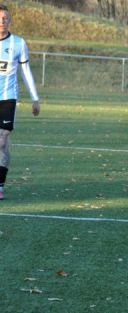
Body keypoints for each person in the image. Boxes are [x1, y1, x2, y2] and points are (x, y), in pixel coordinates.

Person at [0, 4, 40, 200]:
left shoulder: (18, 43)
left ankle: (0, 184)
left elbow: (26, 72)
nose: (2, 22)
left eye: (5, 18)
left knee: (2, 140)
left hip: (8, 98)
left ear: (10, 20)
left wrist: (35, 98)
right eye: (0, 18)